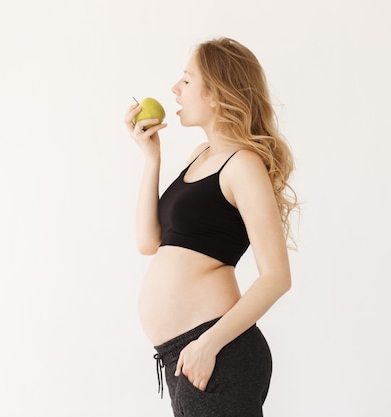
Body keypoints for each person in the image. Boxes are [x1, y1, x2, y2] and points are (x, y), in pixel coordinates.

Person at [123, 37, 297, 417]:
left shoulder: (242, 165)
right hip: (185, 356)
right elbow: (147, 241)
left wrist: (209, 344)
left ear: (217, 93)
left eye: (186, 80)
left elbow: (277, 277)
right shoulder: (199, 156)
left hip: (217, 352)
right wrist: (151, 158)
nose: (175, 89)